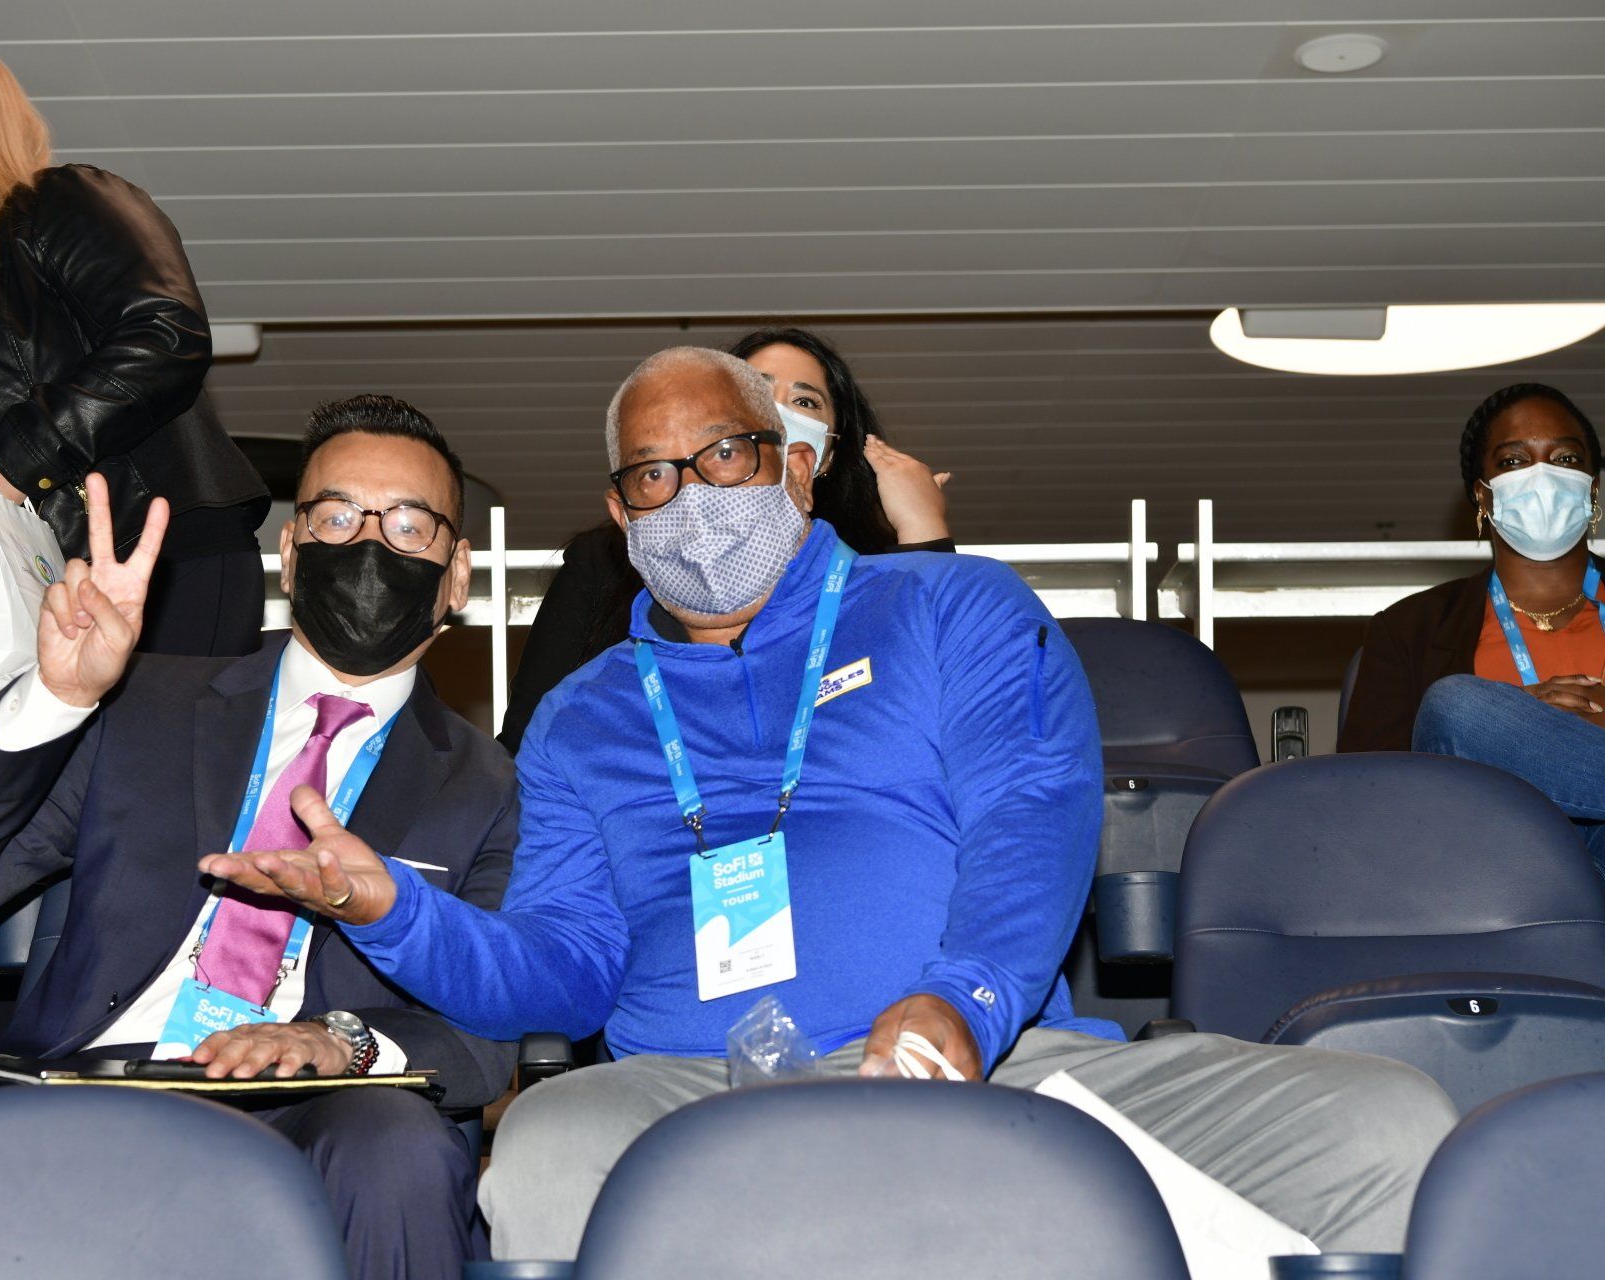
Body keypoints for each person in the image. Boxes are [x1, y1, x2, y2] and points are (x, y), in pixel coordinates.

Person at [204, 348, 1460, 1262]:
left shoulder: (954, 608)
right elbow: (563, 968)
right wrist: (395, 911)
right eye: (654, 475)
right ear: (619, 513)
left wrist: (966, 999)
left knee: (1386, 1122)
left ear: (794, 471)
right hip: (689, 1087)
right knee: (547, 1151)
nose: (694, 494)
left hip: (994, 1058)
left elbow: (1031, 815)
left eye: (725, 455)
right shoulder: (584, 714)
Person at [0, 397, 515, 1280]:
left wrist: (342, 1041)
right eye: (336, 516)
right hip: (98, 1084)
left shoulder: (491, 785)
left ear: (457, 574)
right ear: (292, 550)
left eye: (408, 525)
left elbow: (490, 1028)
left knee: (398, 1146)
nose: (368, 544)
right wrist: (57, 696)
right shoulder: (144, 703)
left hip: (318, 1102)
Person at [0, 26, 269, 798]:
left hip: (140, 569)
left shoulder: (57, 205)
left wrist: (12, 455)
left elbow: (165, 334)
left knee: (139, 826)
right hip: (1, 613)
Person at [498, 326, 952, 751]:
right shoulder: (611, 558)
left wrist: (923, 533)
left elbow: (940, 703)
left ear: (823, 453)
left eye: (805, 402)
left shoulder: (867, 569)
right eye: (758, 390)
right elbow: (529, 738)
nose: (780, 412)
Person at [1338, 383, 1605, 872]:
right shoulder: (1408, 630)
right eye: (1513, 461)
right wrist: (1514, 722)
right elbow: (1366, 794)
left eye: (1565, 459)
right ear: (1484, 495)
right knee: (1454, 705)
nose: (1542, 475)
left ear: (1592, 488)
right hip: (1488, 862)